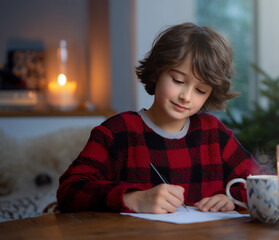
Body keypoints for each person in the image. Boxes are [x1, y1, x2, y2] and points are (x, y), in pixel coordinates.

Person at [57, 22, 265, 214]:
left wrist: (232, 199)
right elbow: (69, 191)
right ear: (157, 71)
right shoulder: (119, 131)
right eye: (177, 80)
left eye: (201, 90)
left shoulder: (214, 133)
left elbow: (262, 183)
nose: (186, 97)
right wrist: (134, 199)